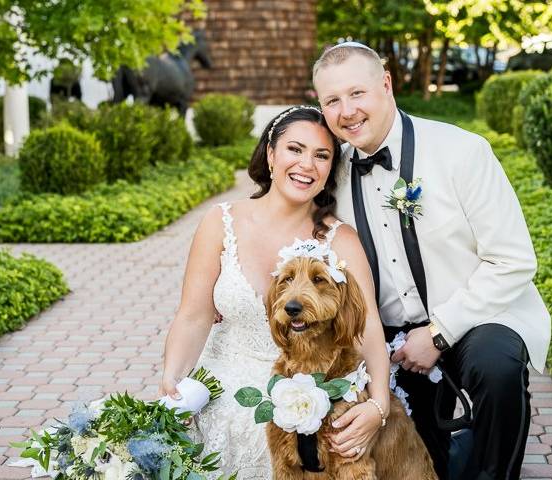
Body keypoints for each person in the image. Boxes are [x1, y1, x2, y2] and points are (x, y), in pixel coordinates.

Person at [312, 42, 551, 480]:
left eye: (357, 93)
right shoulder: (331, 171)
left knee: (497, 371)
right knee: (423, 463)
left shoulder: (462, 151)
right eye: (332, 101)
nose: (347, 111)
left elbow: (513, 260)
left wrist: (439, 333)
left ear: (386, 84)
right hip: (388, 337)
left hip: (477, 317)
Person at [159, 106, 392, 478]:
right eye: (294, 149)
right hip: (221, 386)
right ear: (271, 154)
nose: (306, 165)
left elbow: (367, 330)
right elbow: (194, 315)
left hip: (305, 399)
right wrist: (172, 379)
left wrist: (378, 405)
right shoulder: (220, 222)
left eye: (321, 155)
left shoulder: (340, 239)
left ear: (332, 168)